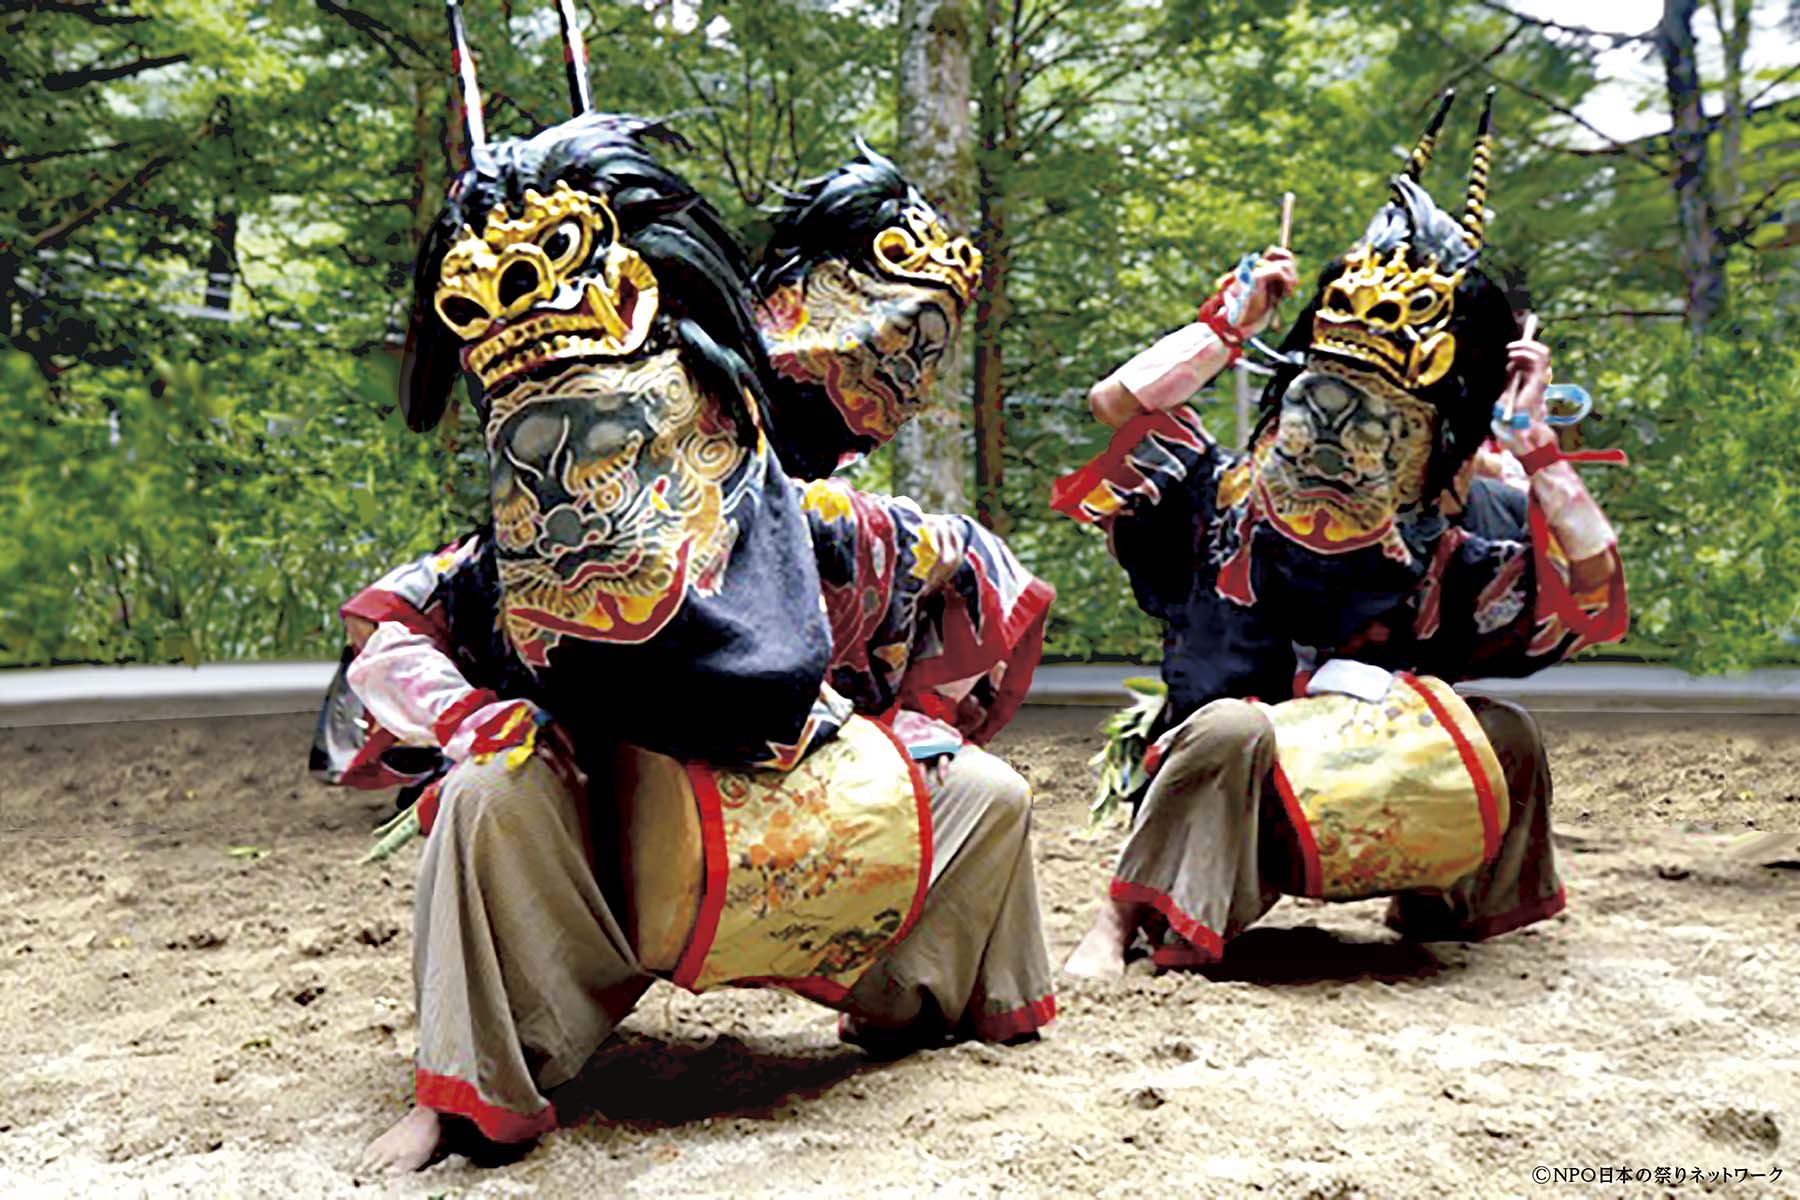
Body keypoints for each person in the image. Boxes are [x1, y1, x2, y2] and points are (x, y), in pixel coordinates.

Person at [316, 3, 1055, 1172]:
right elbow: (388, 635)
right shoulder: (508, 561)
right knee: (485, 800)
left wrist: (884, 731)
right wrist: (480, 719)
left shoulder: (836, 528)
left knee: (990, 800)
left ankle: (955, 999)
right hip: (607, 837)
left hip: (786, 822)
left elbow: (967, 608)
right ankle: (466, 1088)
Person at [1052, 90, 1628, 980]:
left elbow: (1589, 588)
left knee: (1502, 727)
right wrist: (1226, 326)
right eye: (1317, 411)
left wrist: (1533, 444)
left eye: (1375, 428)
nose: (1331, 443)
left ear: (1426, 451)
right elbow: (1116, 404)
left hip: (1377, 779)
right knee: (1224, 732)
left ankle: (1441, 903)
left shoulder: (1453, 535)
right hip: (1240, 790)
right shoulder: (1215, 500)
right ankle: (1121, 918)